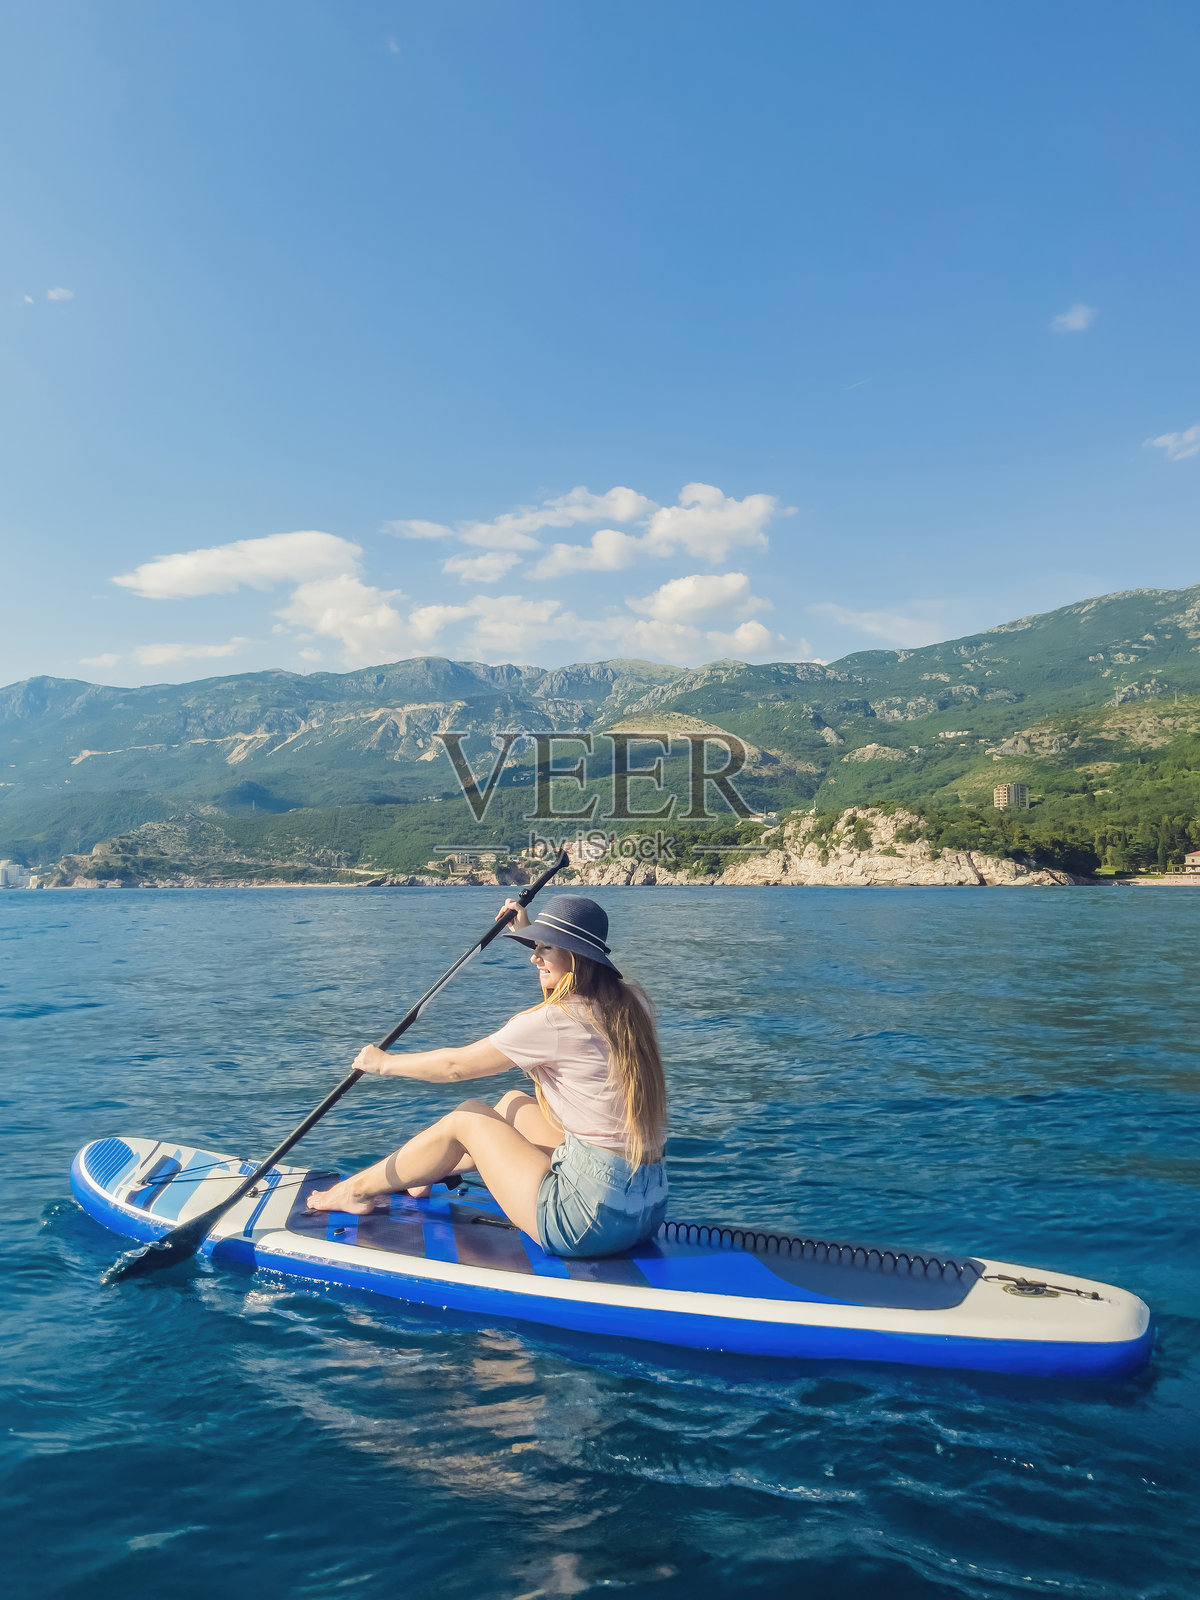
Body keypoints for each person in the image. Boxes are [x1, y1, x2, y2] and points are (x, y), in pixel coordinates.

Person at [306, 893, 669, 1257]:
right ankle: (424, 1173)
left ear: (574, 958)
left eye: (545, 948)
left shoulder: (555, 1021)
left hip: (586, 1222)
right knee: (512, 1104)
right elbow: (566, 994)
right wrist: (527, 930)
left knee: (466, 1118)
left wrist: (383, 1063)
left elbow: (455, 1067)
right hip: (646, 1205)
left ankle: (355, 1192)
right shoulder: (632, 1005)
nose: (533, 956)